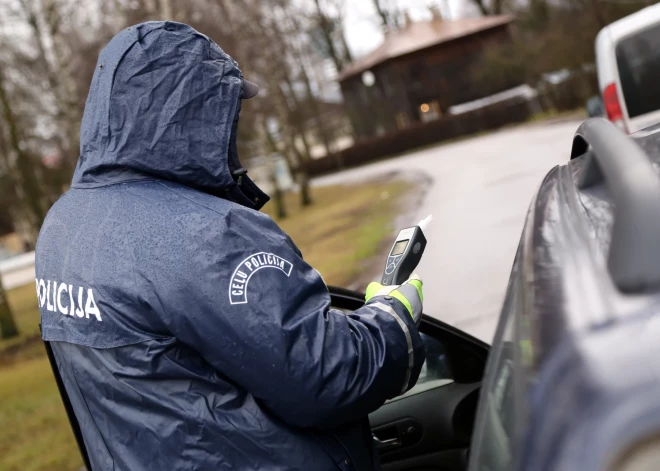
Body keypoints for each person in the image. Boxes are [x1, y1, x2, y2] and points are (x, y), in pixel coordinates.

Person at [36, 21, 425, 471]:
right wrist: (392, 321)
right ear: (196, 113)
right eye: (226, 110)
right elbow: (327, 377)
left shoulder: (64, 228)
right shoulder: (207, 235)